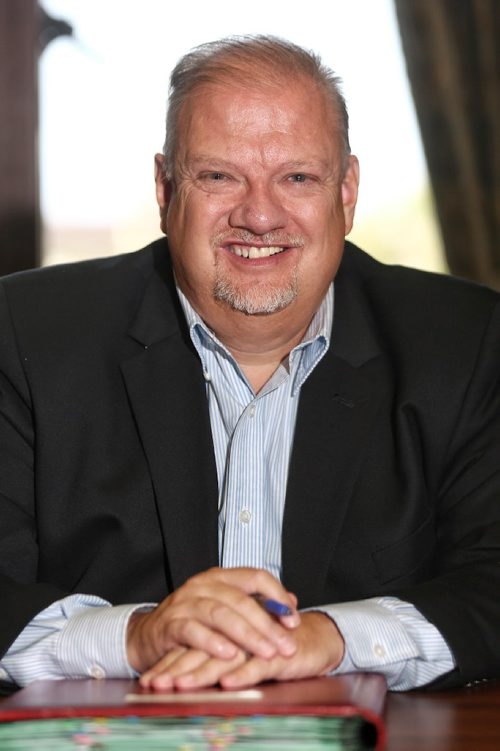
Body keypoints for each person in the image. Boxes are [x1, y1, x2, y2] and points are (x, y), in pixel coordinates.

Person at [0, 35, 499, 695]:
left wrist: (328, 638)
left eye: (297, 177)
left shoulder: (467, 342)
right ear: (165, 187)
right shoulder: (24, 334)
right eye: (218, 175)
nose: (260, 215)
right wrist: (137, 636)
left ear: (346, 191)